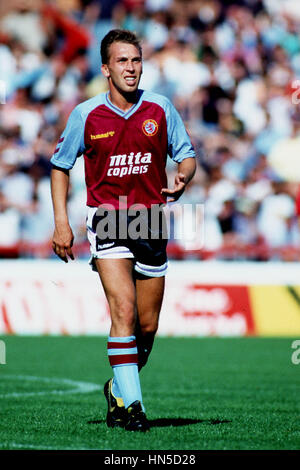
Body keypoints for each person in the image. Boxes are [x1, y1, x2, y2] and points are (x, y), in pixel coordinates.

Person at [50, 29, 196, 432]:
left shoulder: (161, 108)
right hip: (108, 220)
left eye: (135, 60)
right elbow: (60, 166)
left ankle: (117, 387)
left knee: (146, 329)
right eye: (122, 61)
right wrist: (62, 223)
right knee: (124, 312)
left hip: (150, 222)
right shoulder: (86, 115)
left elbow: (186, 155)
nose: (130, 68)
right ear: (106, 69)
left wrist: (183, 177)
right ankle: (134, 408)